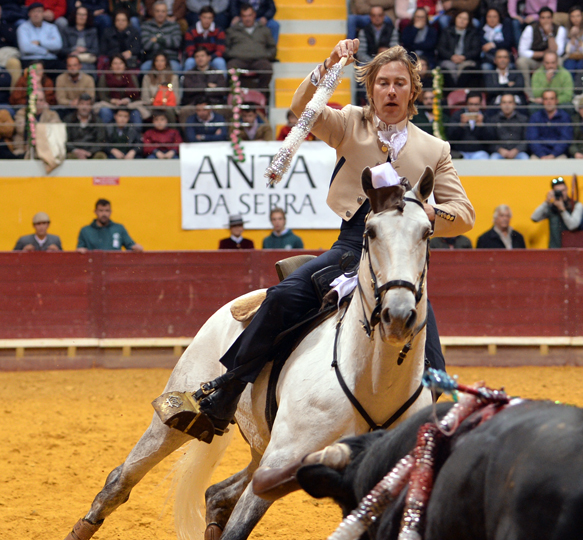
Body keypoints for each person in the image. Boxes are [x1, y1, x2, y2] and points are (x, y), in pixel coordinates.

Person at [165, 40, 474, 440]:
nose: (391, 91)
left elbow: (464, 214)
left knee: (430, 352)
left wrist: (428, 212)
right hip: (350, 249)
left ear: (413, 91)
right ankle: (226, 391)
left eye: (400, 83)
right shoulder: (349, 122)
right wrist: (328, 65)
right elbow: (301, 108)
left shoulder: (434, 148)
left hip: (402, 262)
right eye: (383, 83)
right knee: (280, 298)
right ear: (372, 89)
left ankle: (436, 428)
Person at [225, 3, 275, 91]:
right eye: (244, 16)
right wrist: (233, 54)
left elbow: (272, 48)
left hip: (259, 60)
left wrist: (264, 55)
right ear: (240, 17)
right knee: (231, 67)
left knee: (267, 69)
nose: (247, 19)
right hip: (238, 60)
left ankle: (261, 94)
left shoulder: (264, 30)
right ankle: (235, 94)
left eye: (249, 15)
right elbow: (225, 48)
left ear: (254, 15)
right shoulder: (232, 31)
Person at [517, 6, 567, 87]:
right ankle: (527, 91)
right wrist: (543, 54)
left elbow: (558, 52)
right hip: (535, 61)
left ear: (552, 19)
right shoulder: (530, 29)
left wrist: (550, 34)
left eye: (548, 18)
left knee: (559, 61)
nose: (546, 21)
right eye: (543, 18)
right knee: (521, 61)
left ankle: (556, 90)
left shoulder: (560, 29)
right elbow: (522, 51)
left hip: (551, 62)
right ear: (539, 19)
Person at [531, 175, 583, 247]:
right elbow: (534, 218)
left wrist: (562, 210)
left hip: (571, 249)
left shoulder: (576, 205)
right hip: (554, 249)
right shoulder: (552, 207)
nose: (562, 193)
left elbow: (573, 226)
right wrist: (546, 201)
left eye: (563, 190)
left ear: (567, 189)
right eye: (558, 191)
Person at [437, 9, 483, 88]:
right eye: (460, 17)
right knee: (446, 69)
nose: (462, 21)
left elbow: (476, 50)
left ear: (469, 21)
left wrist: (464, 57)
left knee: (468, 69)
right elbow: (441, 48)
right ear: (455, 18)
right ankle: (452, 93)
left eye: (465, 19)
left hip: (466, 60)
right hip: (449, 59)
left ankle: (458, 91)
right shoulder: (447, 31)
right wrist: (451, 56)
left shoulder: (473, 33)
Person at [77, 198, 143, 251]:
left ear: (111, 212)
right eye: (101, 210)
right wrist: (80, 250)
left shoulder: (119, 228)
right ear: (95, 212)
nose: (104, 214)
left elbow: (130, 244)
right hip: (93, 266)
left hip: (114, 265)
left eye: (107, 210)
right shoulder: (85, 231)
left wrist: (136, 247)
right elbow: (80, 249)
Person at [95, 54, 144, 125]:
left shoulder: (131, 77)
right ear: (111, 66)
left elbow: (136, 95)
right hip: (111, 105)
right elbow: (102, 95)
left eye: (121, 63)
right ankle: (106, 134)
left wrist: (128, 100)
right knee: (104, 111)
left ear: (125, 65)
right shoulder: (104, 77)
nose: (118, 66)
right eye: (115, 64)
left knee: (136, 113)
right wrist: (112, 101)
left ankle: (135, 135)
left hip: (128, 106)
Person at [525, 87, 572, 157]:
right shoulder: (535, 117)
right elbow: (532, 139)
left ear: (556, 101)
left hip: (559, 155)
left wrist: (553, 154)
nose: (549, 102)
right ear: (542, 101)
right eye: (546, 99)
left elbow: (565, 139)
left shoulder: (564, 117)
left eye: (551, 99)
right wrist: (541, 155)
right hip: (539, 155)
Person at [447, 91, 493, 158]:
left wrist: (481, 126)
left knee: (483, 157)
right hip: (460, 152)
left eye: (476, 104)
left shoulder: (485, 117)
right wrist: (461, 125)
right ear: (466, 103)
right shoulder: (457, 115)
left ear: (480, 104)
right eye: (471, 104)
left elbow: (491, 139)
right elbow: (451, 136)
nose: (473, 107)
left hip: (479, 152)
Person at [17, 2, 62, 67]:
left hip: (49, 60)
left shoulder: (51, 27)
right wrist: (45, 51)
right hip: (30, 60)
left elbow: (57, 45)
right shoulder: (22, 28)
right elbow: (25, 48)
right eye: (33, 11)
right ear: (29, 14)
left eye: (39, 11)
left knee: (61, 67)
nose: (36, 14)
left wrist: (40, 43)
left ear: (43, 13)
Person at [141, 0, 182, 70]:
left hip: (170, 59)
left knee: (176, 68)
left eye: (163, 11)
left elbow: (176, 43)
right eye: (157, 11)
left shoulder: (174, 26)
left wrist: (157, 39)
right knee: (144, 68)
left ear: (167, 13)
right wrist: (167, 40)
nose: (160, 14)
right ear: (153, 12)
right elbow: (146, 45)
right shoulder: (146, 26)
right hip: (152, 59)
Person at [182, 4, 227, 69]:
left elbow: (220, 50)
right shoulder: (191, 31)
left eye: (209, 18)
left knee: (220, 62)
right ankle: (186, 79)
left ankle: (223, 79)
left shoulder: (219, 31)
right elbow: (189, 50)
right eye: (204, 17)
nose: (207, 21)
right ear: (200, 17)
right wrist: (200, 58)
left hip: (212, 58)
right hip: (196, 58)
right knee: (189, 62)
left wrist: (208, 58)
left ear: (213, 18)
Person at [487, 91, 529, 158]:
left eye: (510, 102)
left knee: (524, 158)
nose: (507, 105)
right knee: (494, 158)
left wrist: (517, 150)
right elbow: (490, 141)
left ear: (514, 104)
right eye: (504, 102)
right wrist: (499, 150)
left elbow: (527, 139)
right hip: (499, 153)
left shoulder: (523, 119)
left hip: (518, 152)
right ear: (500, 104)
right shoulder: (493, 120)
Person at [64, 92, 106, 159]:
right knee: (69, 156)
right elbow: (65, 140)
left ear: (91, 107)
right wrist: (76, 151)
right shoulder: (69, 120)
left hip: (92, 152)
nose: (84, 107)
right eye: (82, 104)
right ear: (77, 105)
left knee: (100, 156)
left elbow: (101, 141)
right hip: (75, 151)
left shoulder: (98, 121)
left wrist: (89, 152)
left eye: (87, 104)